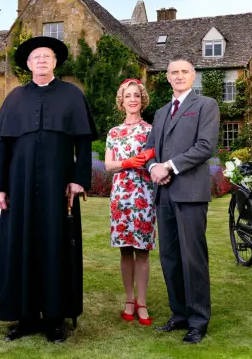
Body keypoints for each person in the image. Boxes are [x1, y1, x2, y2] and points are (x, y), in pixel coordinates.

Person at [0, 36, 97, 343]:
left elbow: (84, 143)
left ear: (55, 62)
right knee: (19, 247)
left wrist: (79, 179)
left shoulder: (72, 95)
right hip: (19, 188)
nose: (41, 61)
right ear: (27, 64)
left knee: (56, 247)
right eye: (36, 57)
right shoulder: (14, 98)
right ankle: (24, 317)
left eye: (46, 56)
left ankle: (54, 318)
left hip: (58, 188)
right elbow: (3, 147)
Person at [144, 55, 219, 344]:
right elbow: (151, 149)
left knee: (193, 259)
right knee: (170, 257)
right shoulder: (162, 112)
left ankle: (198, 321)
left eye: (184, 71)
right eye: (174, 72)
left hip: (190, 193)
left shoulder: (205, 105)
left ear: (193, 75)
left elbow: (205, 147)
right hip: (163, 193)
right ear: (167, 76)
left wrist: (169, 166)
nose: (179, 76)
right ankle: (179, 314)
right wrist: (153, 168)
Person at [104, 79, 157, 326]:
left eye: (136, 95)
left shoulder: (151, 131)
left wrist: (145, 160)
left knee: (142, 251)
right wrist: (127, 163)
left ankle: (143, 302)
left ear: (142, 100)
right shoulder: (114, 133)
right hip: (121, 196)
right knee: (126, 250)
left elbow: (156, 160)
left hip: (144, 195)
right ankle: (128, 300)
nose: (132, 99)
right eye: (128, 96)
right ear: (122, 101)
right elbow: (108, 165)